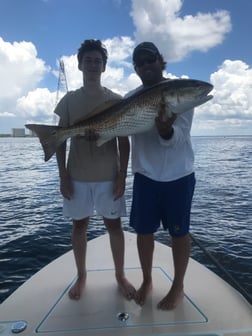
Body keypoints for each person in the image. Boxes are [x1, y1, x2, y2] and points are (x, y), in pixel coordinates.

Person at [55, 39, 135, 301]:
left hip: (107, 176)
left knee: (114, 227)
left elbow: (124, 140)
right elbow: (59, 139)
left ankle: (120, 275)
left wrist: (122, 175)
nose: (92, 64)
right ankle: (81, 275)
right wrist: (63, 177)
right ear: (79, 65)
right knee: (79, 227)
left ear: (104, 67)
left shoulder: (115, 100)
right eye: (88, 60)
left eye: (97, 61)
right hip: (77, 176)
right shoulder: (68, 101)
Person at [128, 42, 196, 310]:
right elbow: (116, 126)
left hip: (179, 176)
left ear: (160, 60)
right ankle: (147, 280)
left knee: (180, 234)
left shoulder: (181, 93)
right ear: (135, 68)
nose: (146, 65)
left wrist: (166, 131)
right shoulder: (131, 97)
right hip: (145, 175)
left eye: (150, 59)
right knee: (144, 233)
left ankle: (178, 286)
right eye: (140, 62)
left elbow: (179, 138)